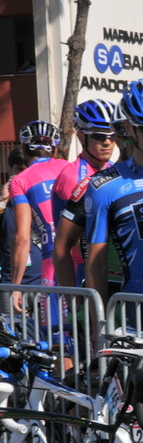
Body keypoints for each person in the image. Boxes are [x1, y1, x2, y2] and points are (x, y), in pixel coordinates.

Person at [84, 79, 143, 330]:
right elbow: (96, 264)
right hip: (142, 307)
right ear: (129, 128)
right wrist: (98, 327)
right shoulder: (103, 186)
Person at [52, 99, 116, 288]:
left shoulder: (112, 169)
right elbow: (68, 243)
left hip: (106, 265)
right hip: (79, 267)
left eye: (113, 136)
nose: (107, 142)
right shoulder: (73, 176)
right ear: (81, 137)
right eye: (98, 136)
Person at [9, 121, 70, 321]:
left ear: (24, 149)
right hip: (87, 258)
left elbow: (22, 238)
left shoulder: (21, 180)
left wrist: (16, 288)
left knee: (56, 339)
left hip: (53, 262)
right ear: (54, 150)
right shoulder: (71, 168)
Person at [1, 148, 41, 317]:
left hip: (43, 284)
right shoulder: (5, 205)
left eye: (27, 171)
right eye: (19, 170)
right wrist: (3, 201)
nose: (24, 175)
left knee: (46, 338)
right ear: (11, 170)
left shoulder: (43, 197)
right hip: (10, 285)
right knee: (12, 338)